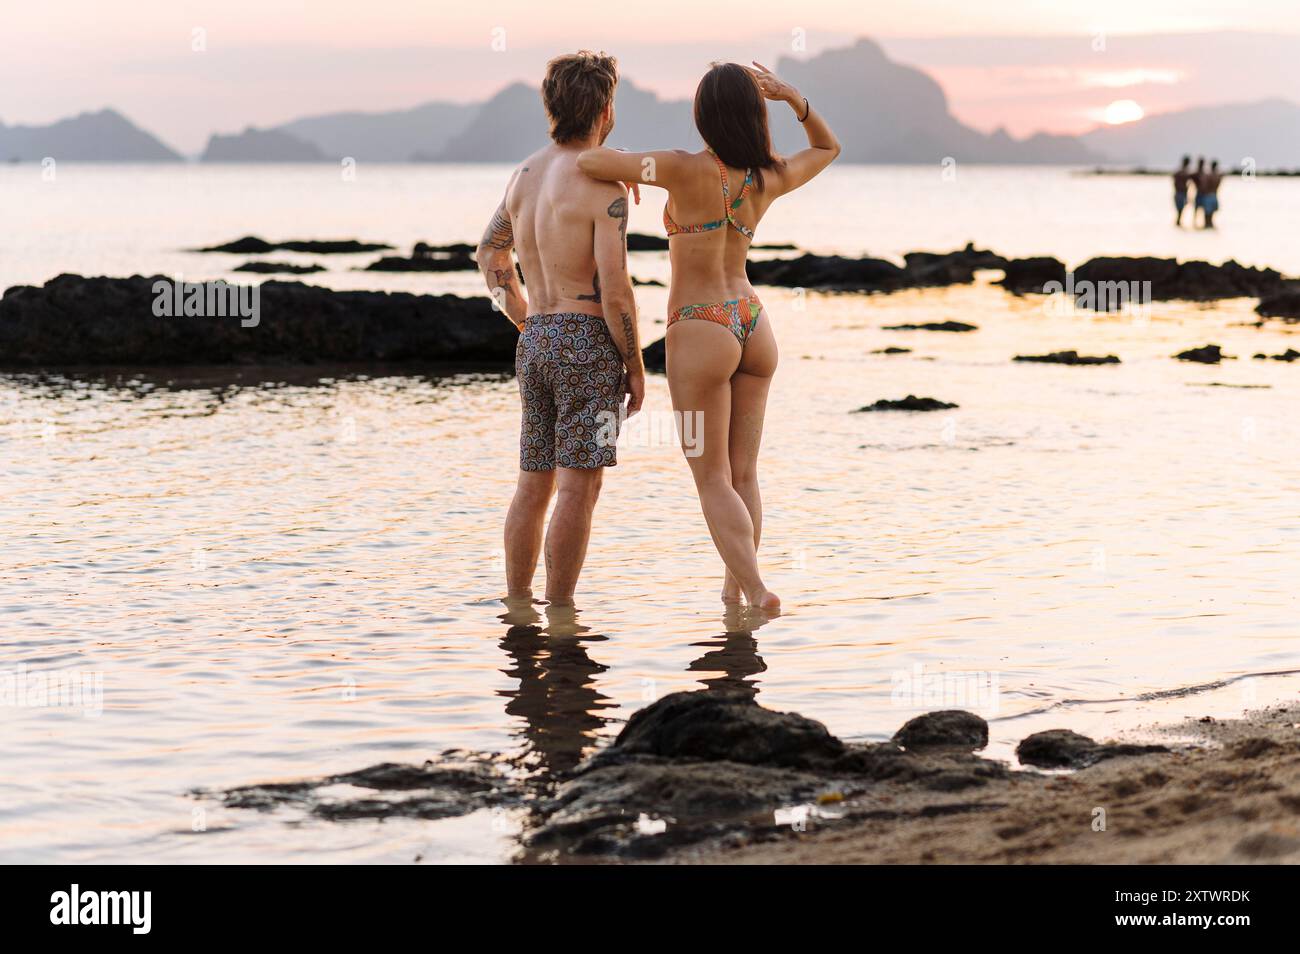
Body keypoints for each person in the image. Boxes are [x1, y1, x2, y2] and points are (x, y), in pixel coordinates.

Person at [578, 61, 840, 613]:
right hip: (752, 323)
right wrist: (794, 98)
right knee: (744, 473)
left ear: (702, 115)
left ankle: (756, 590)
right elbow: (826, 149)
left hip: (700, 326)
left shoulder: (678, 167)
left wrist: (630, 170)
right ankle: (733, 599)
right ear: (753, 114)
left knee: (711, 477)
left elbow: (589, 159)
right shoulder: (767, 176)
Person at [476, 51, 645, 606]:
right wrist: (637, 366)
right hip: (589, 347)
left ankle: (517, 606)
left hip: (538, 342)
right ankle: (562, 613)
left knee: (534, 481)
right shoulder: (606, 187)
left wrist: (522, 316)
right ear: (604, 106)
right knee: (580, 484)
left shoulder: (524, 174)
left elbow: (488, 252)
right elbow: (616, 289)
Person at [1199, 159, 1224, 228]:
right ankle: (1210, 228)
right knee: (1211, 216)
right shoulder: (1218, 176)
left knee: (1207, 215)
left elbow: (1203, 186)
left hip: (1207, 196)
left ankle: (1207, 227)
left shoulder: (1208, 176)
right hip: (1214, 195)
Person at [1173, 155, 1194, 226]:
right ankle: (1178, 223)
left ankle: (1178, 223)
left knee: (1180, 210)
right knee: (1180, 210)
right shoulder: (1185, 173)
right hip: (1181, 193)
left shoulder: (1179, 172)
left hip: (1179, 192)